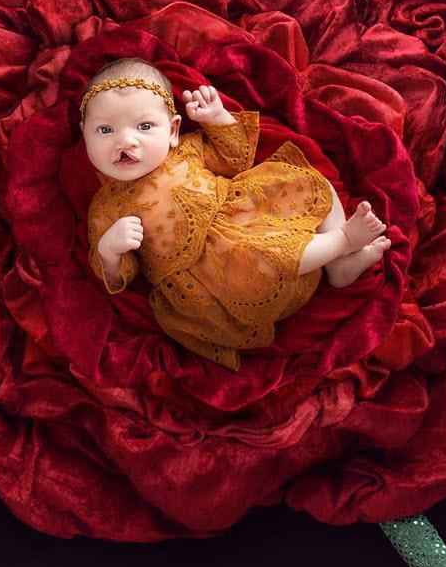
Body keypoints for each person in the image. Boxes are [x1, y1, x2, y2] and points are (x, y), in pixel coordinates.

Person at [81, 57, 391, 370]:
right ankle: (341, 242)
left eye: (144, 127)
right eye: (105, 130)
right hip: (217, 287)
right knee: (254, 255)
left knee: (306, 178)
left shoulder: (187, 150)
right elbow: (121, 274)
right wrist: (110, 249)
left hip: (246, 219)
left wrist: (217, 118)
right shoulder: (105, 208)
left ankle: (338, 264)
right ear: (85, 136)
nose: (125, 141)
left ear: (173, 130)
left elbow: (235, 158)